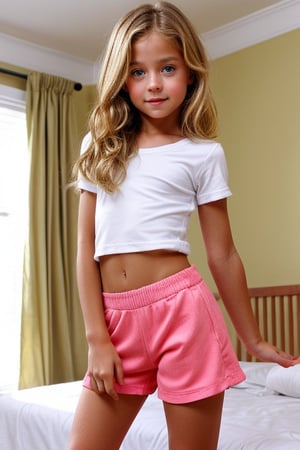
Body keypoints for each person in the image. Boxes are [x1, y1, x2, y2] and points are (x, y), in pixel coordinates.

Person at [68, 2, 300, 449]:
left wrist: (253, 339)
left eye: (167, 68)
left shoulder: (202, 154)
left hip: (184, 315)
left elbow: (223, 254)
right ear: (122, 79)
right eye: (137, 72)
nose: (153, 84)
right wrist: (96, 336)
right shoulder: (99, 146)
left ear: (190, 73)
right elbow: (85, 247)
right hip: (116, 321)